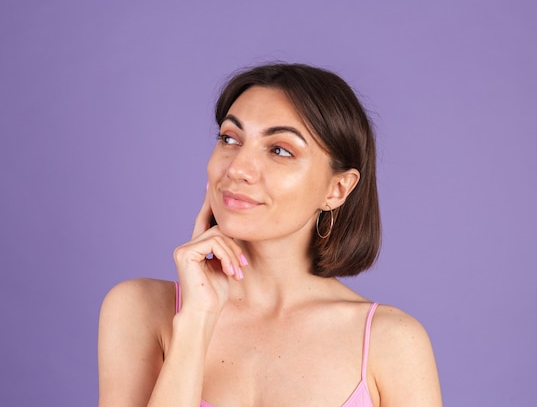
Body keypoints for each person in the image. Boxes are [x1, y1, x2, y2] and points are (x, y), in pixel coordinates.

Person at [98, 63, 442, 407]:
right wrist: (195, 321)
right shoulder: (139, 310)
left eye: (280, 150)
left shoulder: (392, 343)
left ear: (337, 189)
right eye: (230, 139)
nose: (237, 168)